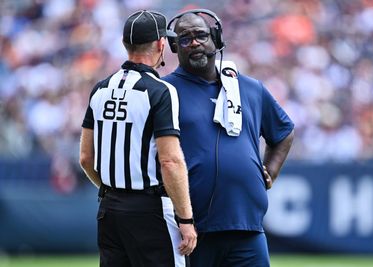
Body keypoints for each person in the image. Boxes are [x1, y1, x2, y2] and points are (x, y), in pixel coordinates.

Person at [163, 9, 294, 267]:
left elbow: (284, 132)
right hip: (191, 229)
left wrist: (270, 171)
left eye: (200, 35)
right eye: (185, 39)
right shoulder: (165, 91)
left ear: (216, 38)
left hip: (247, 225)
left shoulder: (250, 88)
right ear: (174, 47)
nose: (195, 43)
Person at [79, 10, 197, 267]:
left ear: (124, 44)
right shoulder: (161, 91)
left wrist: (113, 193)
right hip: (150, 209)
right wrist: (186, 220)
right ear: (160, 44)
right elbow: (170, 161)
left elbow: (86, 158)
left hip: (109, 209)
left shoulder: (100, 89)